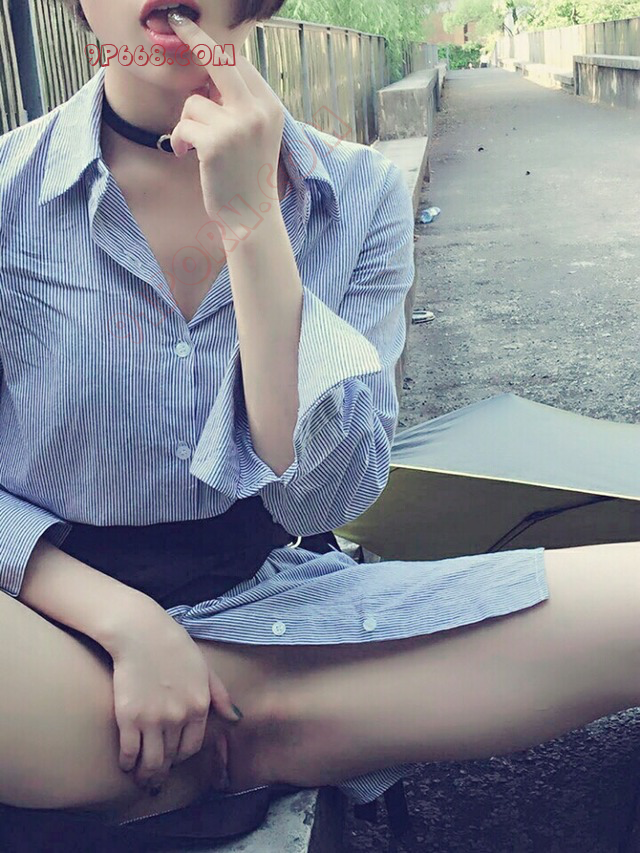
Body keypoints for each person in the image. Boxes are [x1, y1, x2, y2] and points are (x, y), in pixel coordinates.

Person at [1, 0, 640, 844]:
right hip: (39, 625)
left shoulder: (357, 193)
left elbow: (320, 500)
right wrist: (127, 622)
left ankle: (199, 741)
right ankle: (230, 739)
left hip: (273, 609)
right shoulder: (10, 192)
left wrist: (252, 224)